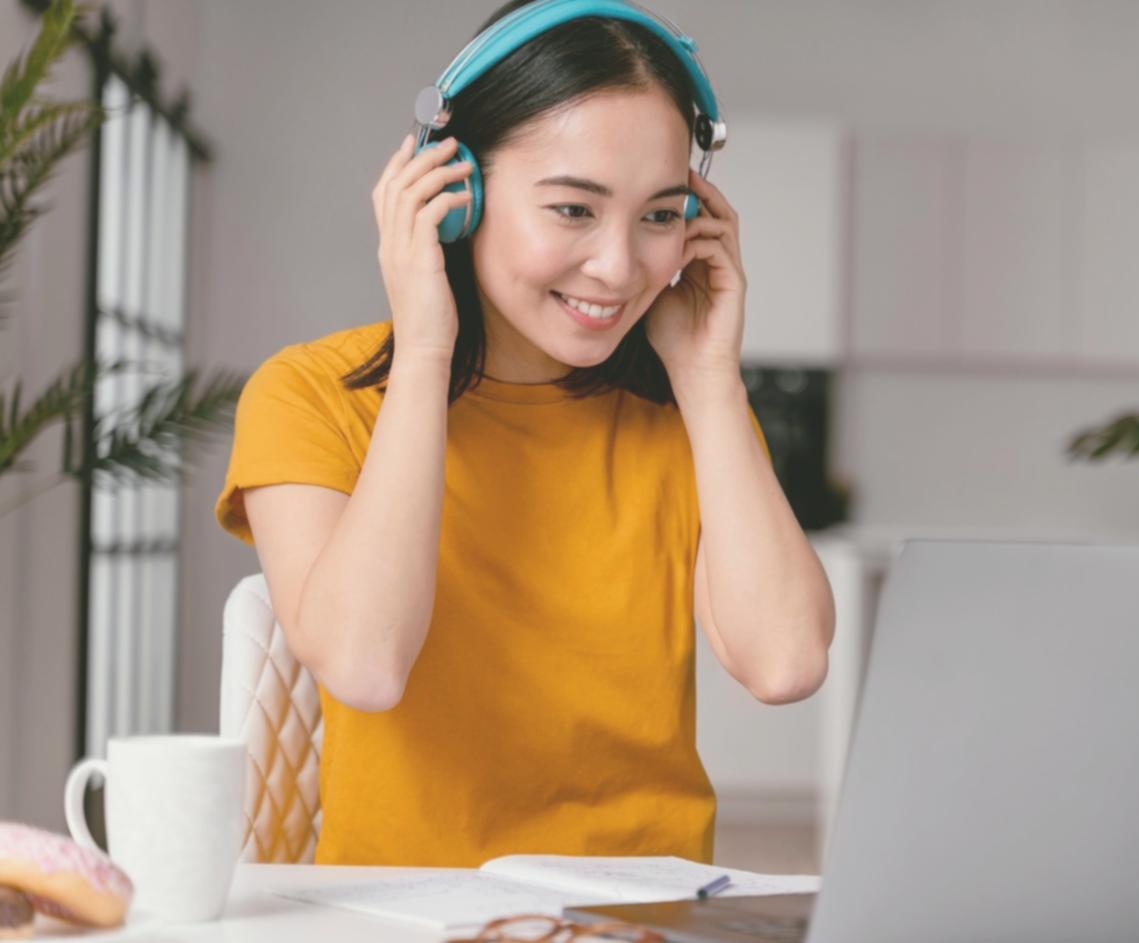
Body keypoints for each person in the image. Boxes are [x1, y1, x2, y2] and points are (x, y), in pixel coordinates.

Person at [213, 0, 835, 868]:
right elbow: (364, 664)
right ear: (453, 193)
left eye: (659, 215)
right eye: (574, 210)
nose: (620, 267)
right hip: (412, 922)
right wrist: (425, 347)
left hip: (646, 919)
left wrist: (707, 379)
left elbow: (785, 663)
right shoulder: (313, 395)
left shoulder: (686, 414)